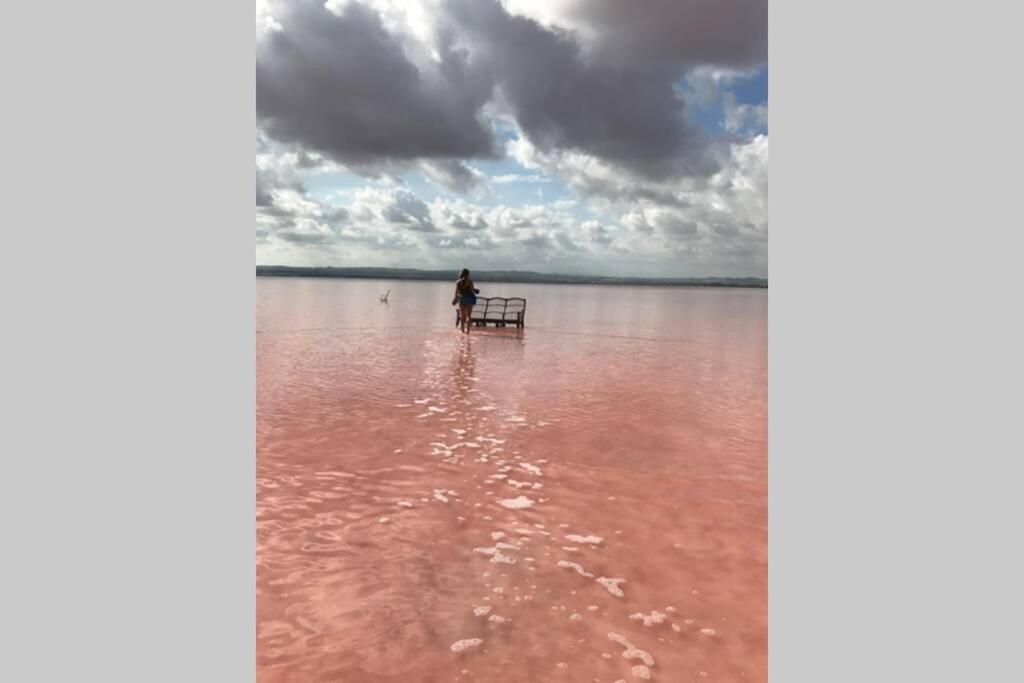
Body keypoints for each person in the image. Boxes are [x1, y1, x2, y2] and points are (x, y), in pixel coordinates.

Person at [452, 268, 479, 334]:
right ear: (468, 274)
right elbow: (473, 291)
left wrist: (455, 299)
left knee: (462, 315)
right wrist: (476, 290)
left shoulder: (458, 282)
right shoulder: (470, 281)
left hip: (462, 299)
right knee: (468, 316)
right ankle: (468, 331)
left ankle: (462, 331)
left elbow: (456, 292)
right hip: (469, 299)